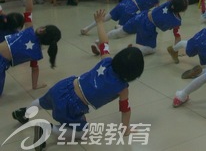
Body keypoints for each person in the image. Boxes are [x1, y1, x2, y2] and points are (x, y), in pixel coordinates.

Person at [12, 9, 144, 142]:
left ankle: (24, 113)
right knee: (84, 133)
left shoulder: (106, 61)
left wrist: (99, 23)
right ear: (134, 74)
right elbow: (125, 110)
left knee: (41, 102)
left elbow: (104, 42)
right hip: (72, 105)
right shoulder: (122, 88)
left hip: (64, 86)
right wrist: (126, 129)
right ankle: (47, 128)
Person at [1, 0, 61, 95]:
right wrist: (35, 85)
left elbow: (28, 10)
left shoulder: (29, 30)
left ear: (42, 29)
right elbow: (34, 69)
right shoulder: (36, 54)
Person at [108, 0, 187, 56]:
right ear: (182, 10)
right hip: (148, 27)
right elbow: (177, 36)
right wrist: (176, 51)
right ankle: (135, 50)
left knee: (120, 32)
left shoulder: (169, 2)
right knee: (152, 49)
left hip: (141, 16)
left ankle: (99, 41)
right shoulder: (177, 21)